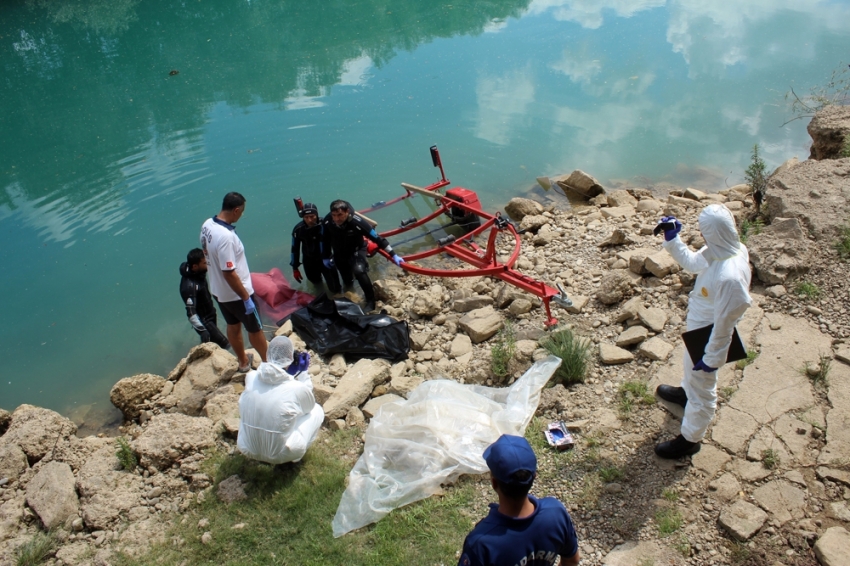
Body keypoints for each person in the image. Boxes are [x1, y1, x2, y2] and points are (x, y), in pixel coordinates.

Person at [654, 204, 753, 459]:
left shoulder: (730, 276)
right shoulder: (722, 250)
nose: (701, 235)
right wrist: (673, 240)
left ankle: (691, 439)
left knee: (704, 387)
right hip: (698, 328)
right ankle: (685, 393)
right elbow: (695, 263)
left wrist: (712, 358)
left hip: (708, 336)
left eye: (703, 231)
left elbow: (724, 325)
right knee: (691, 372)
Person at [458, 435, 580, 566]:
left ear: (494, 483)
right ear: (534, 476)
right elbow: (572, 560)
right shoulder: (556, 514)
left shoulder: (481, 544)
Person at [200, 192, 268, 372]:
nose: (241, 215)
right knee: (255, 329)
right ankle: (270, 365)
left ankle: (243, 362)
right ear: (236, 210)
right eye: (242, 211)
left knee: (233, 324)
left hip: (218, 291)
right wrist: (246, 298)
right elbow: (229, 272)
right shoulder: (226, 238)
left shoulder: (208, 224)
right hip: (237, 293)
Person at [237, 336, 324, 464]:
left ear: (268, 354)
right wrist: (303, 373)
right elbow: (308, 407)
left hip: (247, 447)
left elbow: (275, 381)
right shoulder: (296, 388)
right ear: (290, 358)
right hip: (279, 454)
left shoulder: (251, 377)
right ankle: (295, 458)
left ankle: (259, 448)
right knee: (317, 410)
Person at [320, 199, 405, 312]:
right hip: (339, 253)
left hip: (356, 249)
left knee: (359, 271)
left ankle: (370, 300)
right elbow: (324, 240)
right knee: (347, 280)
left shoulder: (357, 222)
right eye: (334, 215)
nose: (336, 219)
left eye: (340, 215)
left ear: (347, 212)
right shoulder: (328, 221)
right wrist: (325, 257)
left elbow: (377, 238)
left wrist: (393, 255)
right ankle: (350, 292)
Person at [179, 248, 230, 350]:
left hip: (211, 314)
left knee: (212, 344)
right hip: (205, 321)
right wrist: (202, 330)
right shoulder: (190, 287)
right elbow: (191, 313)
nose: (207, 264)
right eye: (204, 263)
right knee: (225, 344)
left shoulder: (198, 272)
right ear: (195, 266)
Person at [290, 202, 339, 291]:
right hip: (309, 262)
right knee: (317, 285)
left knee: (335, 288)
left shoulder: (325, 225)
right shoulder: (298, 230)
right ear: (303, 217)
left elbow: (338, 239)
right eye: (306, 217)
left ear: (317, 215)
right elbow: (294, 249)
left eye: (312, 216)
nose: (309, 220)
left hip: (326, 259)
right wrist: (295, 268)